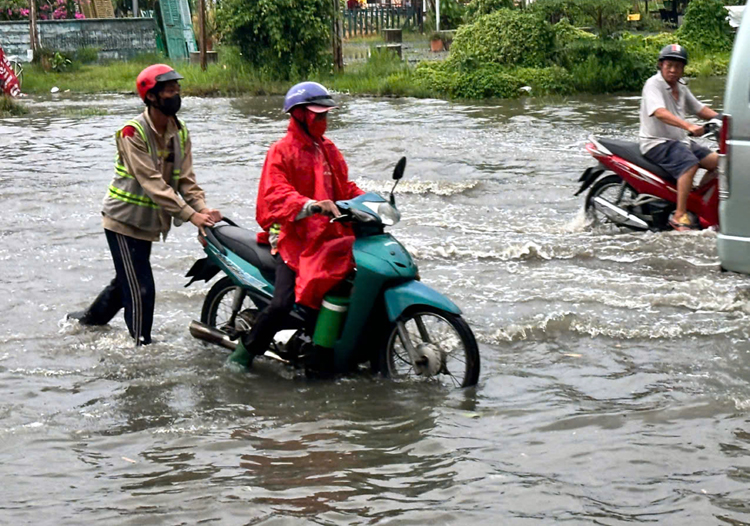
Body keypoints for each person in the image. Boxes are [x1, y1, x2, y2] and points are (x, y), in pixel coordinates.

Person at [68, 64, 221, 345]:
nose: (176, 95)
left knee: (124, 283)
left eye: (177, 89)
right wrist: (190, 216)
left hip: (148, 223)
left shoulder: (181, 132)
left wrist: (201, 209)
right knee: (140, 288)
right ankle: (141, 348)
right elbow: (152, 183)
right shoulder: (132, 133)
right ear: (151, 96)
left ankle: (85, 325)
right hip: (123, 222)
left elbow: (186, 180)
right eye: (169, 90)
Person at [228, 81, 364, 367]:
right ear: (300, 115)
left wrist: (370, 202)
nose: (324, 121)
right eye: (318, 115)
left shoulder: (328, 149)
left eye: (326, 115)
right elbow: (275, 194)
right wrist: (310, 205)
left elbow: (345, 187)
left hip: (326, 236)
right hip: (290, 238)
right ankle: (242, 356)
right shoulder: (281, 151)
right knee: (281, 304)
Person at [639, 44, 719, 231]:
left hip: (679, 142)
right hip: (656, 142)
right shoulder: (653, 84)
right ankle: (679, 214)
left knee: (719, 161)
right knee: (689, 164)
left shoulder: (681, 87)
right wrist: (688, 125)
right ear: (661, 65)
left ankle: (696, 201)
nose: (674, 70)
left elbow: (700, 109)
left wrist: (724, 119)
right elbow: (659, 112)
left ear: (683, 69)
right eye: (669, 65)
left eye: (678, 66)